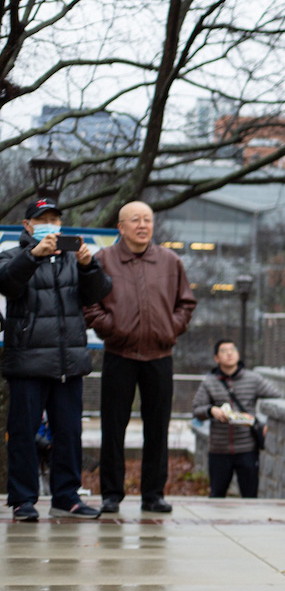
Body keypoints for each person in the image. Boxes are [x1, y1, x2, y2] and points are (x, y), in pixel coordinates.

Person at [2, 197, 111, 521]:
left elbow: (99, 292)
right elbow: (6, 283)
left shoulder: (72, 258)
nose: (50, 224)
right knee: (23, 432)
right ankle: (22, 500)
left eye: (54, 219)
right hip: (27, 362)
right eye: (43, 219)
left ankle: (66, 496)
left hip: (69, 362)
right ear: (28, 226)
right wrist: (32, 256)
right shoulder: (12, 254)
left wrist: (88, 265)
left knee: (68, 433)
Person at [84, 200, 196, 514]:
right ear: (121, 227)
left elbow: (186, 304)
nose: (143, 225)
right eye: (135, 220)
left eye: (148, 219)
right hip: (119, 353)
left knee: (157, 427)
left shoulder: (170, 260)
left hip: (160, 354)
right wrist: (113, 329)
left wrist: (170, 329)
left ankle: (153, 494)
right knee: (113, 426)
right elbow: (90, 305)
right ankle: (111, 494)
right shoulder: (103, 259)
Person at [191, 339, 282, 498]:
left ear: (238, 354)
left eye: (232, 349)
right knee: (217, 497)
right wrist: (212, 410)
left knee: (250, 497)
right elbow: (196, 409)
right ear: (216, 358)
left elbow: (278, 399)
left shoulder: (253, 379)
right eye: (224, 351)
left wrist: (263, 423)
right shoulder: (210, 382)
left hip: (247, 448)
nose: (229, 353)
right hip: (219, 449)